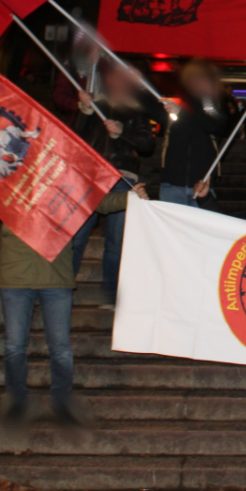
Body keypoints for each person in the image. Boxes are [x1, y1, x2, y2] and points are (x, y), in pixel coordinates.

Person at [0, 182, 149, 425]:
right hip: (16, 275)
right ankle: (17, 400)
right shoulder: (10, 177)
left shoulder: (64, 181)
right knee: (15, 345)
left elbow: (97, 201)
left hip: (55, 275)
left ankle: (61, 399)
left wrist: (129, 197)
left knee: (60, 347)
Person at [72, 62, 156, 308]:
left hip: (122, 178)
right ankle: (62, 287)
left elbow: (147, 144)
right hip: (91, 176)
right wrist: (85, 110)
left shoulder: (137, 112)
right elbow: (75, 136)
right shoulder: (96, 106)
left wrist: (122, 132)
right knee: (77, 237)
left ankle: (111, 296)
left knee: (116, 242)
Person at [145, 60, 227, 206]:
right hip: (172, 184)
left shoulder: (212, 104)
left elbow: (215, 125)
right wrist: (140, 81)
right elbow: (150, 106)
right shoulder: (178, 102)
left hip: (202, 185)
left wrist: (182, 113)